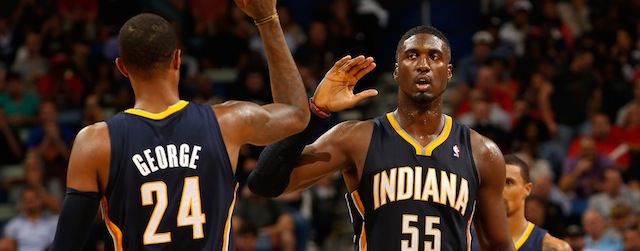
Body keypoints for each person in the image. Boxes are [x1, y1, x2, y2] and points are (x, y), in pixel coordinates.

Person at [50, 0, 312, 249]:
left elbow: (66, 245)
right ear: (177, 59)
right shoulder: (229, 122)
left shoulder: (95, 142)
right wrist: (267, 19)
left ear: (122, 67)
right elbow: (296, 114)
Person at [249, 25, 515, 250]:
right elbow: (264, 183)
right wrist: (314, 113)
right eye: (412, 56)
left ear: (448, 72)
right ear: (397, 71)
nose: (423, 65)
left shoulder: (482, 152)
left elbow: (500, 245)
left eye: (434, 57)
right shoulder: (357, 138)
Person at [470, 154, 571, 250]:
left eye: (508, 182)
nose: (500, 190)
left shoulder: (552, 247)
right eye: (495, 182)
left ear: (527, 189)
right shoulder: (466, 241)